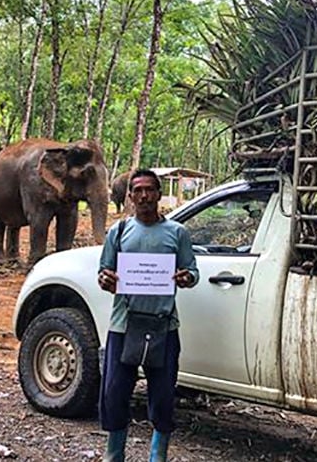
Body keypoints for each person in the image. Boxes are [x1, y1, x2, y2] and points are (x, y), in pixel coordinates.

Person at [97, 169, 199, 462]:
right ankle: (113, 454)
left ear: (159, 193)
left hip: (163, 325)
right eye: (137, 190)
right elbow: (103, 271)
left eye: (150, 190)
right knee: (114, 393)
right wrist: (107, 280)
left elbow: (192, 272)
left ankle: (158, 455)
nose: (144, 195)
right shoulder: (118, 231)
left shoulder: (177, 233)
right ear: (129, 195)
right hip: (123, 324)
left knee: (163, 395)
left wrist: (185, 278)